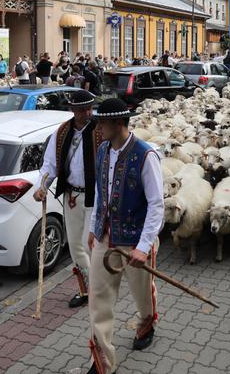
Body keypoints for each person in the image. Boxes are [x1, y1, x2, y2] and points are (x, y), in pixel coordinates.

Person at [86, 98, 163, 374]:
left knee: (142, 293)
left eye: (103, 122)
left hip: (135, 240)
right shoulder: (103, 150)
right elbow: (99, 193)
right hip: (106, 238)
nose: (99, 127)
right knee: (98, 298)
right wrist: (94, 229)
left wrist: (143, 247)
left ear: (119, 123)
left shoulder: (145, 155)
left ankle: (147, 321)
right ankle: (103, 361)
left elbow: (156, 204)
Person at [34, 90, 103, 308]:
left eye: (89, 108)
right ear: (73, 110)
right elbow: (49, 165)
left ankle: (98, 290)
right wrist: (41, 187)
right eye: (82, 109)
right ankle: (87, 290)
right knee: (74, 247)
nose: (87, 113)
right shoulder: (62, 133)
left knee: (88, 245)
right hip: (71, 196)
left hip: (95, 197)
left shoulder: (100, 130)